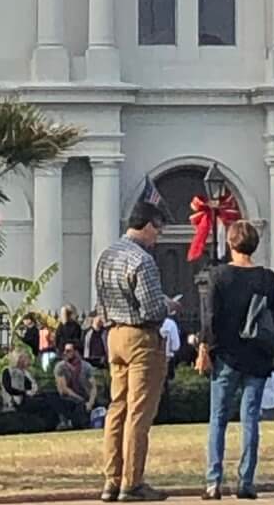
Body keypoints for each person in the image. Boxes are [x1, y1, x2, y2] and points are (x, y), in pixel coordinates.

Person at [197, 217, 274, 502]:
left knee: (218, 419)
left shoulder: (219, 276)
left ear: (229, 243)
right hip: (258, 357)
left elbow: (209, 318)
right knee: (251, 420)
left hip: (226, 356)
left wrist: (205, 349)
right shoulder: (267, 277)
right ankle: (246, 481)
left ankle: (214, 481)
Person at [94, 197, 175, 503]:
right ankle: (132, 481)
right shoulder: (142, 260)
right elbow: (153, 309)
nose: (158, 237)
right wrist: (169, 305)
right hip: (141, 338)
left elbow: (101, 301)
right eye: (158, 230)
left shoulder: (107, 255)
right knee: (139, 413)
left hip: (114, 335)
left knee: (117, 409)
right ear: (147, 225)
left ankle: (111, 480)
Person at [54, 340, 99, 430]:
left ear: (76, 352)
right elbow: (64, 389)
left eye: (68, 351)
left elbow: (93, 387)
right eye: (65, 350)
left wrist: (90, 402)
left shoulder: (86, 367)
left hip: (84, 396)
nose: (65, 353)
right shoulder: (60, 367)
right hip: (68, 398)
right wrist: (81, 400)